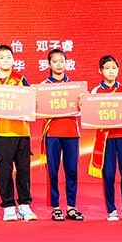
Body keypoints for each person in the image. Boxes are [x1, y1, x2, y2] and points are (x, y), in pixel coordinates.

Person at [88, 55, 122, 221]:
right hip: (106, 138)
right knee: (108, 174)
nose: (111, 71)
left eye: (114, 68)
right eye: (107, 68)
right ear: (100, 71)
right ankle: (111, 210)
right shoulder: (95, 92)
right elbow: (91, 114)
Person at [0, 45, 35, 222]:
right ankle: (8, 207)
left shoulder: (21, 80)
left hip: (22, 132)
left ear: (14, 59)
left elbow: (30, 104)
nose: (5, 60)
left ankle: (24, 205)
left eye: (9, 57)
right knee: (4, 172)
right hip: (2, 133)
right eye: (1, 57)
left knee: (23, 171)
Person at [41, 49, 83, 222]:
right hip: (52, 132)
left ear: (66, 63)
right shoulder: (43, 87)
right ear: (49, 64)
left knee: (72, 170)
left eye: (62, 61)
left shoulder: (75, 87)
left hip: (71, 132)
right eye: (55, 61)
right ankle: (56, 207)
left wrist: (83, 102)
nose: (59, 64)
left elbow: (83, 109)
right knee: (52, 171)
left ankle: (71, 207)